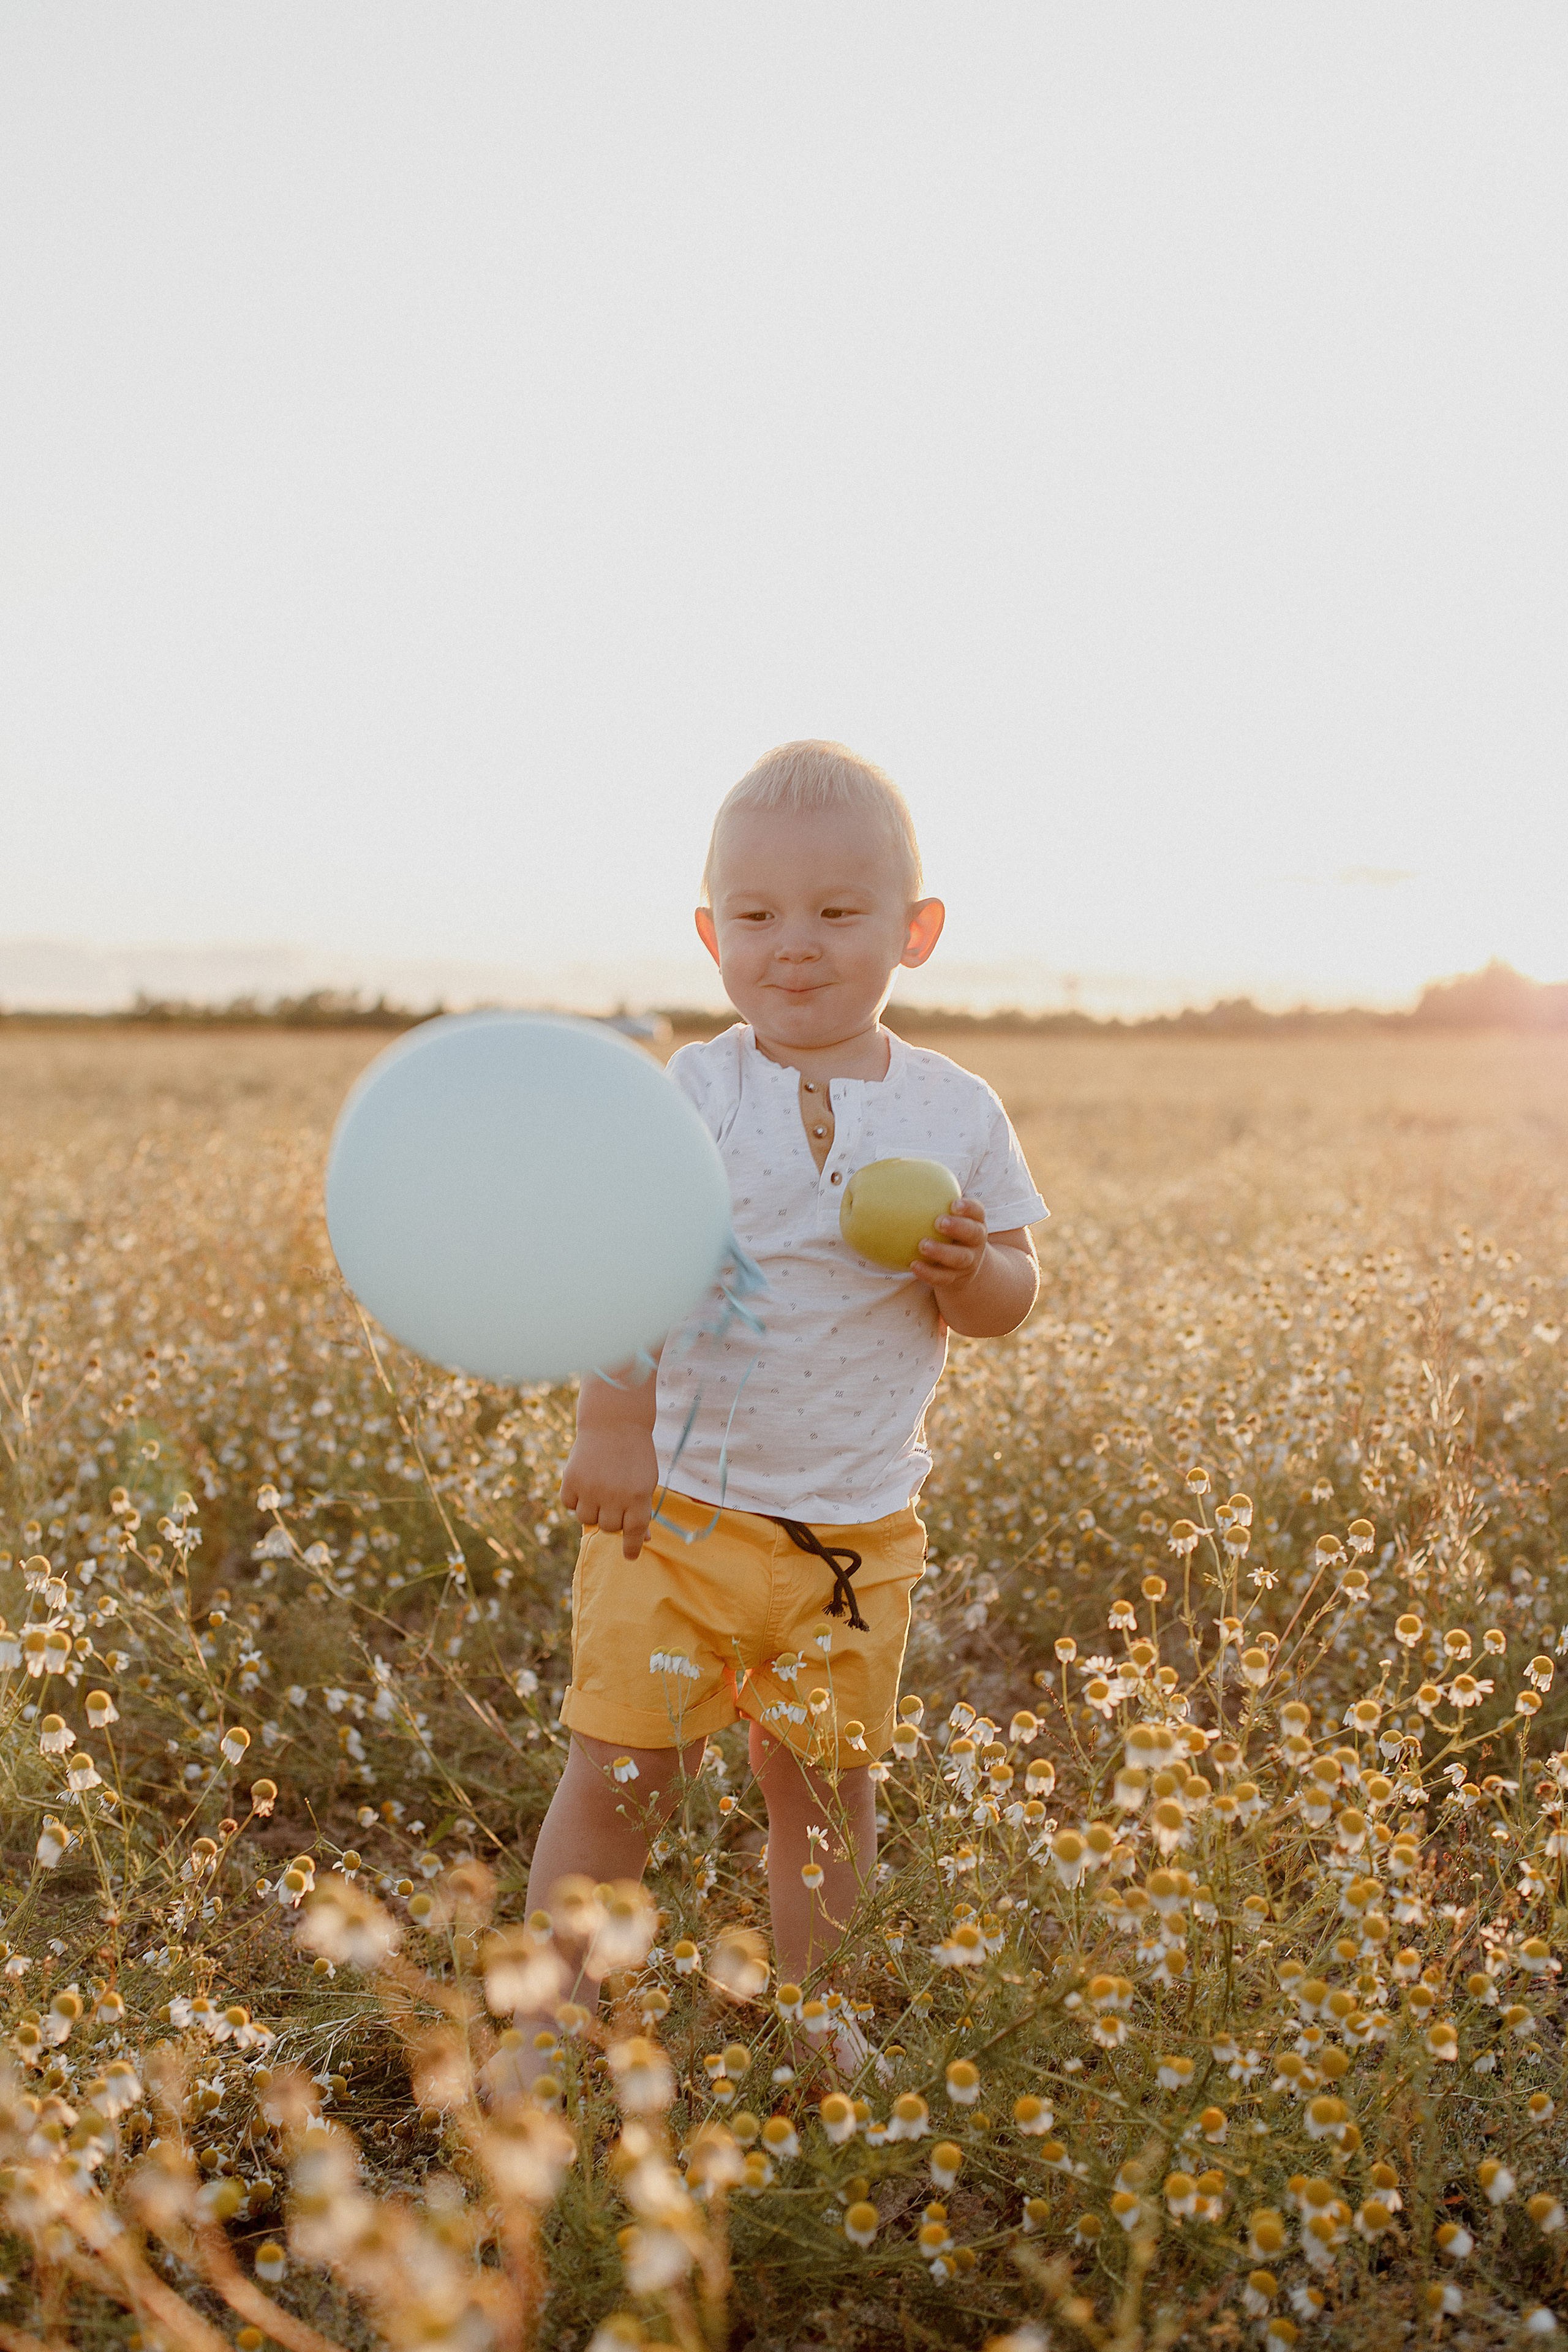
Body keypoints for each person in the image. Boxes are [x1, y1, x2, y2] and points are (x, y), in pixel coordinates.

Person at [524, 739, 1048, 2069]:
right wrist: (613, 1422)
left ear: (913, 932)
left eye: (836, 912)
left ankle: (816, 2013)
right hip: (679, 1518)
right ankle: (552, 2022)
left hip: (855, 1532)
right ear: (711, 935)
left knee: (822, 1792)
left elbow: (1012, 1297)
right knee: (621, 1778)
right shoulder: (690, 1096)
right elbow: (625, 1261)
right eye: (756, 917)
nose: (794, 945)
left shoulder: (953, 1108)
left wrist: (968, 1268)